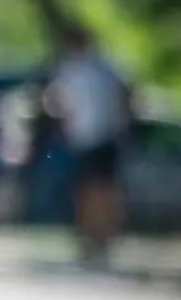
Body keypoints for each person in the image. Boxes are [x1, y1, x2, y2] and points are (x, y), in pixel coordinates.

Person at [50, 26, 131, 266]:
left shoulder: (77, 70)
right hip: (98, 137)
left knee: (93, 192)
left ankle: (96, 240)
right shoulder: (105, 68)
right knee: (100, 191)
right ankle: (99, 240)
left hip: (92, 138)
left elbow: (56, 103)